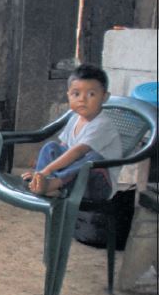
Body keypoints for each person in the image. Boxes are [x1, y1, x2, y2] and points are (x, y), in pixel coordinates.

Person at [22, 63, 121, 199]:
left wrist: (47, 170)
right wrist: (43, 171)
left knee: (92, 159)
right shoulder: (75, 118)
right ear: (68, 95)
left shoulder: (103, 124)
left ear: (104, 97)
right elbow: (64, 148)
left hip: (96, 185)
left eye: (91, 94)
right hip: (73, 178)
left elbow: (77, 152)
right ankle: (40, 181)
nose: (82, 99)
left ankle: (52, 183)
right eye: (76, 94)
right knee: (52, 147)